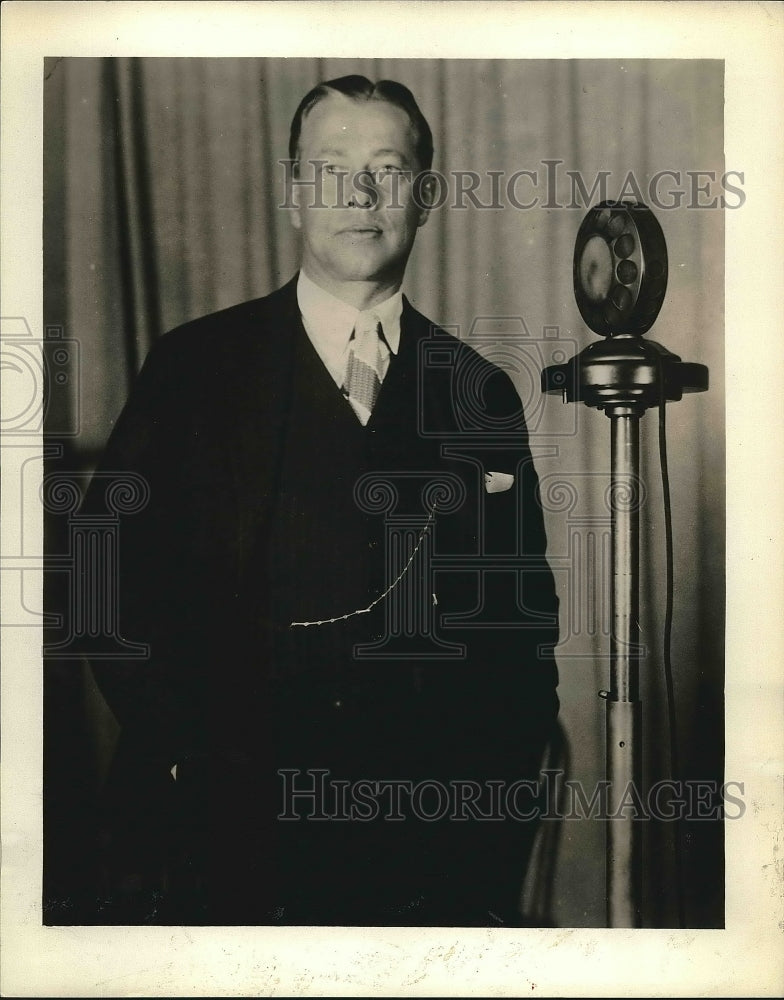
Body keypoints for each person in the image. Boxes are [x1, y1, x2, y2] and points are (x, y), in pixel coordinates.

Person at [84, 75, 560, 927]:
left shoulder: (478, 394)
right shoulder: (195, 369)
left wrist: (484, 822)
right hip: (217, 845)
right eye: (332, 166)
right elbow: (106, 583)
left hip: (422, 857)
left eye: (389, 166)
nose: (362, 192)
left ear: (427, 196)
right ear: (293, 193)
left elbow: (518, 640)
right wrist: (190, 761)